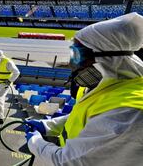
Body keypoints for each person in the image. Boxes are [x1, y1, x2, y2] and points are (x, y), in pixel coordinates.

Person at [24, 12, 143, 166]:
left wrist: (35, 141)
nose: (72, 63)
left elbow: (67, 162)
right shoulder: (102, 86)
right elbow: (87, 119)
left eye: (77, 55)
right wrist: (48, 126)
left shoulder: (128, 114)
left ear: (105, 58)